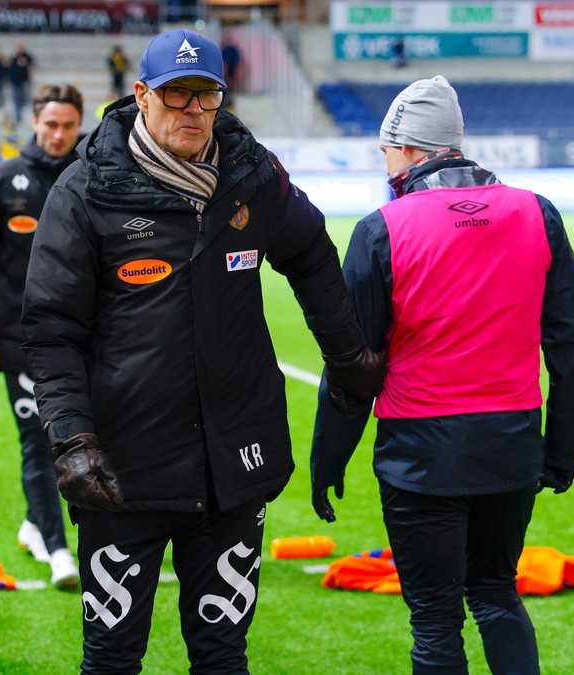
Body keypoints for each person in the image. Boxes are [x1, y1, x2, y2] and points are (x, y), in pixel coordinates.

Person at [21, 29, 384, 673]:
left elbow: (311, 253)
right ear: (142, 95)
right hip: (121, 473)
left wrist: (347, 355)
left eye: (206, 95)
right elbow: (51, 331)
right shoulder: (83, 190)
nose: (193, 110)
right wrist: (73, 441)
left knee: (222, 654)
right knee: (111, 658)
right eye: (177, 94)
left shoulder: (253, 173)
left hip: (232, 468)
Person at [310, 75, 574, 674]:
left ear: (411, 149)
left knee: (436, 621)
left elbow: (352, 365)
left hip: (421, 457)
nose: (385, 164)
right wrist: (560, 451)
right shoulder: (537, 213)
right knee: (495, 593)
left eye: (387, 150)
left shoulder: (381, 229)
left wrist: (327, 460)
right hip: (511, 446)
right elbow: (573, 347)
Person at [0, 83, 85, 592]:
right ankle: (58, 549)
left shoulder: (91, 177)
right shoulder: (2, 180)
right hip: (22, 344)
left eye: (68, 126)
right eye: (50, 124)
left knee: (86, 440)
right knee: (40, 447)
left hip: (85, 342)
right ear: (34, 122)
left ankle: (36, 524)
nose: (58, 135)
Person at [6, 44, 34, 124]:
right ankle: (18, 117)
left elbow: (31, 62)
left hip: (24, 82)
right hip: (15, 82)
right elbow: (10, 69)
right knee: (17, 100)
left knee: (25, 100)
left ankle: (27, 117)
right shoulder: (13, 59)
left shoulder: (26, 57)